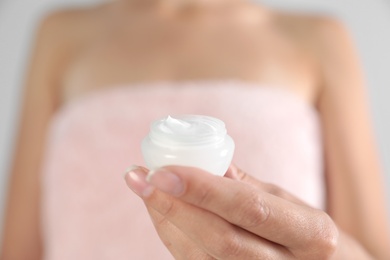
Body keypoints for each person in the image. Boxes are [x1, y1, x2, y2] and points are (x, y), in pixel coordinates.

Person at [1, 0, 390, 259]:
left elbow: (370, 249)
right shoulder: (62, 36)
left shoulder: (318, 38)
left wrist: (326, 253)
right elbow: (18, 251)